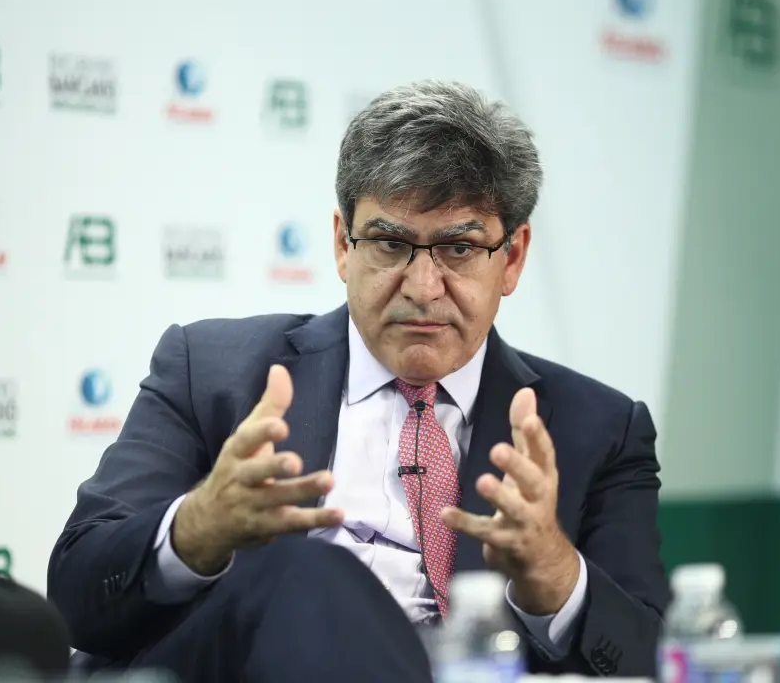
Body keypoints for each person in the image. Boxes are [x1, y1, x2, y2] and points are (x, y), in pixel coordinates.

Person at [48, 80, 668, 681]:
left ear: (512, 257)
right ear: (343, 245)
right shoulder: (213, 371)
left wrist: (554, 574)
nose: (422, 288)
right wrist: (196, 527)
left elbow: (653, 657)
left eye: (458, 248)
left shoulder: (600, 429)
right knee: (309, 570)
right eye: (390, 243)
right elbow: (76, 591)